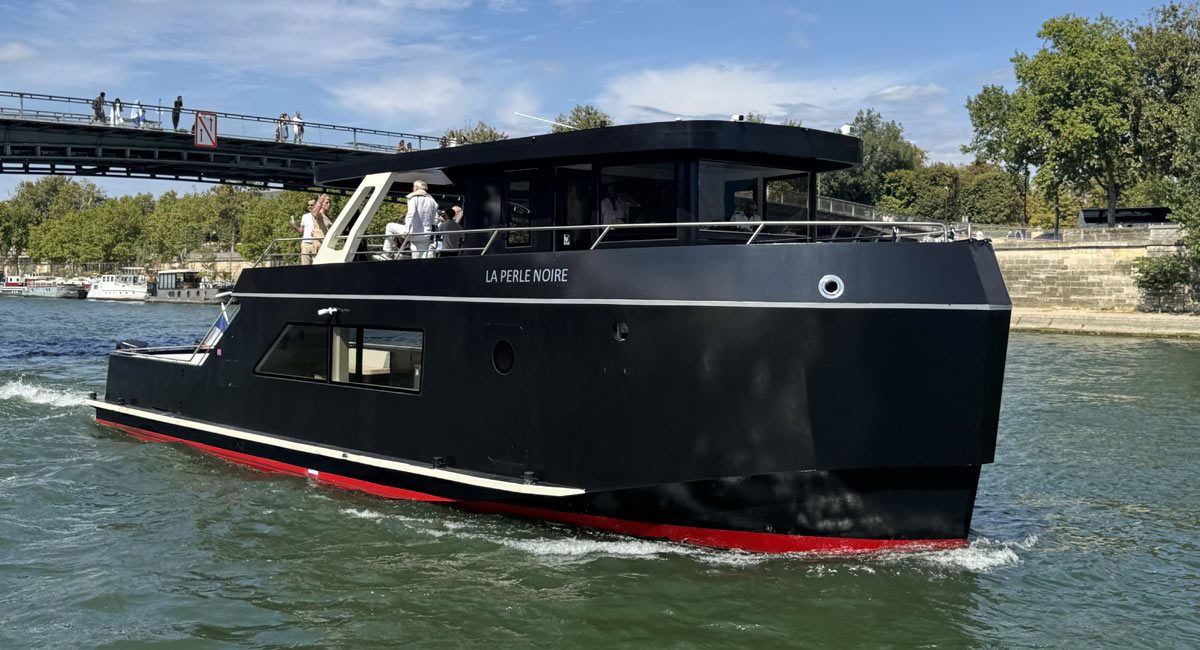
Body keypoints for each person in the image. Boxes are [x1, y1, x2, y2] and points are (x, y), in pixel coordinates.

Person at [405, 180, 438, 259]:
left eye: (413, 186)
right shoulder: (432, 201)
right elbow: (435, 220)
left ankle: (387, 252)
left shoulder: (413, 197)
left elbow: (411, 214)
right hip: (426, 235)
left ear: (416, 187)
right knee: (422, 257)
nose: (413, 188)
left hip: (413, 233)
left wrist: (406, 229)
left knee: (390, 227)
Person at [289, 198, 322, 264]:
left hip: (316, 244)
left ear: (316, 205)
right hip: (305, 244)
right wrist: (294, 226)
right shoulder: (305, 216)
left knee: (317, 266)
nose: (310, 206)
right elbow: (301, 231)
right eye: (309, 205)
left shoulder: (320, 216)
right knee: (305, 266)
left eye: (312, 205)